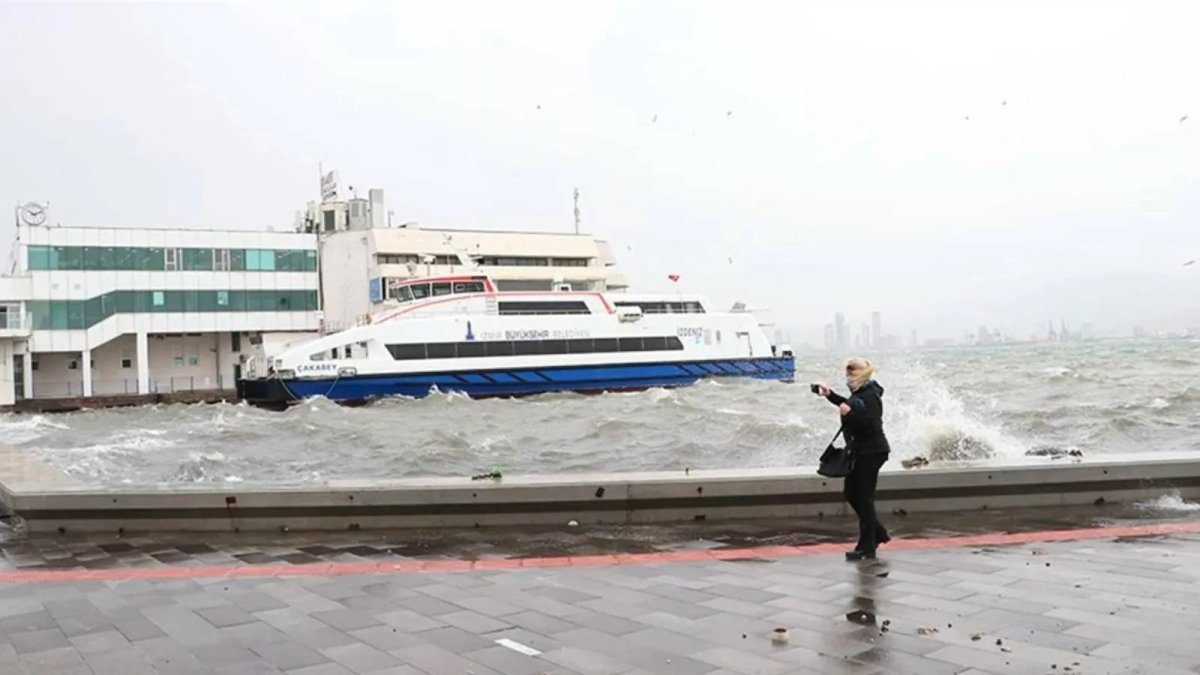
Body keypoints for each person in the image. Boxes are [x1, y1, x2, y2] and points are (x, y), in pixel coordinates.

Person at [815, 358, 891, 560]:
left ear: (861, 375)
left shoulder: (870, 395)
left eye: (851, 374)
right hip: (860, 452)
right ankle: (878, 533)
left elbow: (870, 424)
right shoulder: (859, 393)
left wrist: (849, 414)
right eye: (847, 374)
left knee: (864, 498)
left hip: (872, 452)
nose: (848, 378)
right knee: (851, 493)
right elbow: (850, 405)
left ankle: (867, 546)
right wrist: (829, 395)